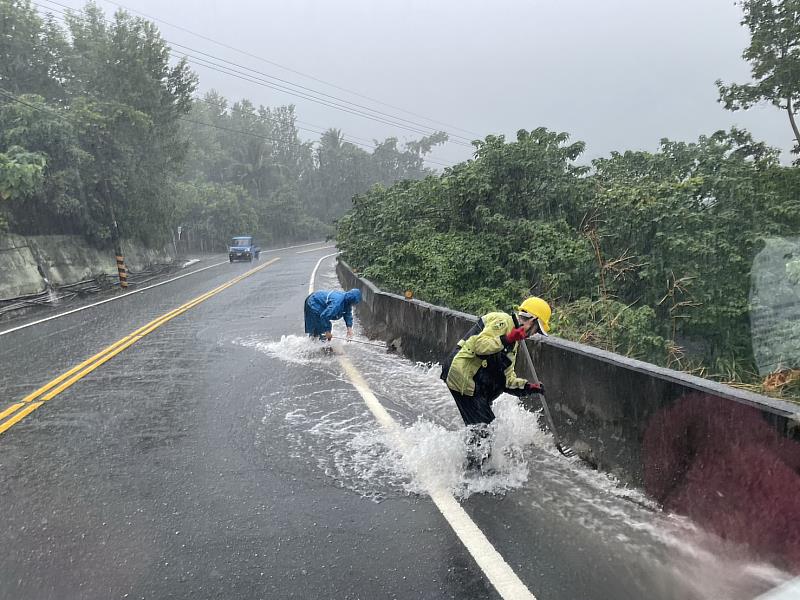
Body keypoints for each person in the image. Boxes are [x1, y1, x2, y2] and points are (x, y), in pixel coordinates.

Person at [440, 296, 552, 467]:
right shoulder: (502, 321)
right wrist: (507, 338)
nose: (535, 334)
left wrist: (528, 387)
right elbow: (479, 345)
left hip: (475, 383)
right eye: (537, 329)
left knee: (482, 429)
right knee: (485, 429)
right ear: (532, 321)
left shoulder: (514, 345)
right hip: (463, 375)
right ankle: (475, 474)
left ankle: (471, 468)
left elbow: (506, 379)